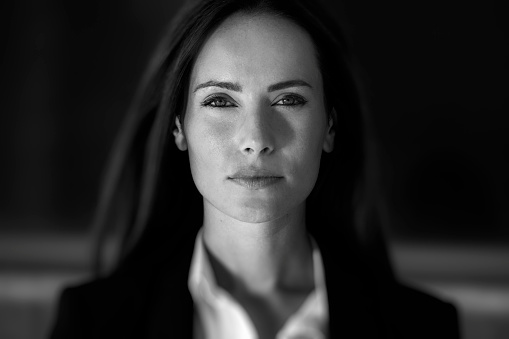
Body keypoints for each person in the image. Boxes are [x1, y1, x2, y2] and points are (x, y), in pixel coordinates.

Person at [49, 0, 460, 338]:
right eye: (220, 102)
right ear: (179, 127)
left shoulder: (422, 326)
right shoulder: (93, 323)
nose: (256, 138)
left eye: (288, 101)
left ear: (329, 127)